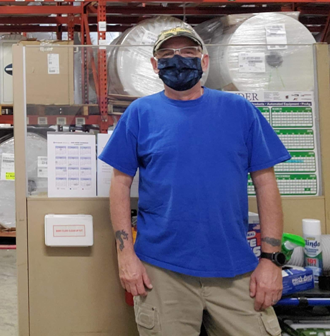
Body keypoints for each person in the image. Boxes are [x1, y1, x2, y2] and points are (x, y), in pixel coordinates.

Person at [99, 26, 289, 336]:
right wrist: (126, 255)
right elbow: (120, 184)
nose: (177, 60)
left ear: (204, 62)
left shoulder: (239, 110)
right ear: (153, 65)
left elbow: (266, 182)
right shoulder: (140, 114)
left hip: (235, 268)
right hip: (161, 272)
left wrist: (271, 261)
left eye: (187, 53)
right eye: (167, 54)